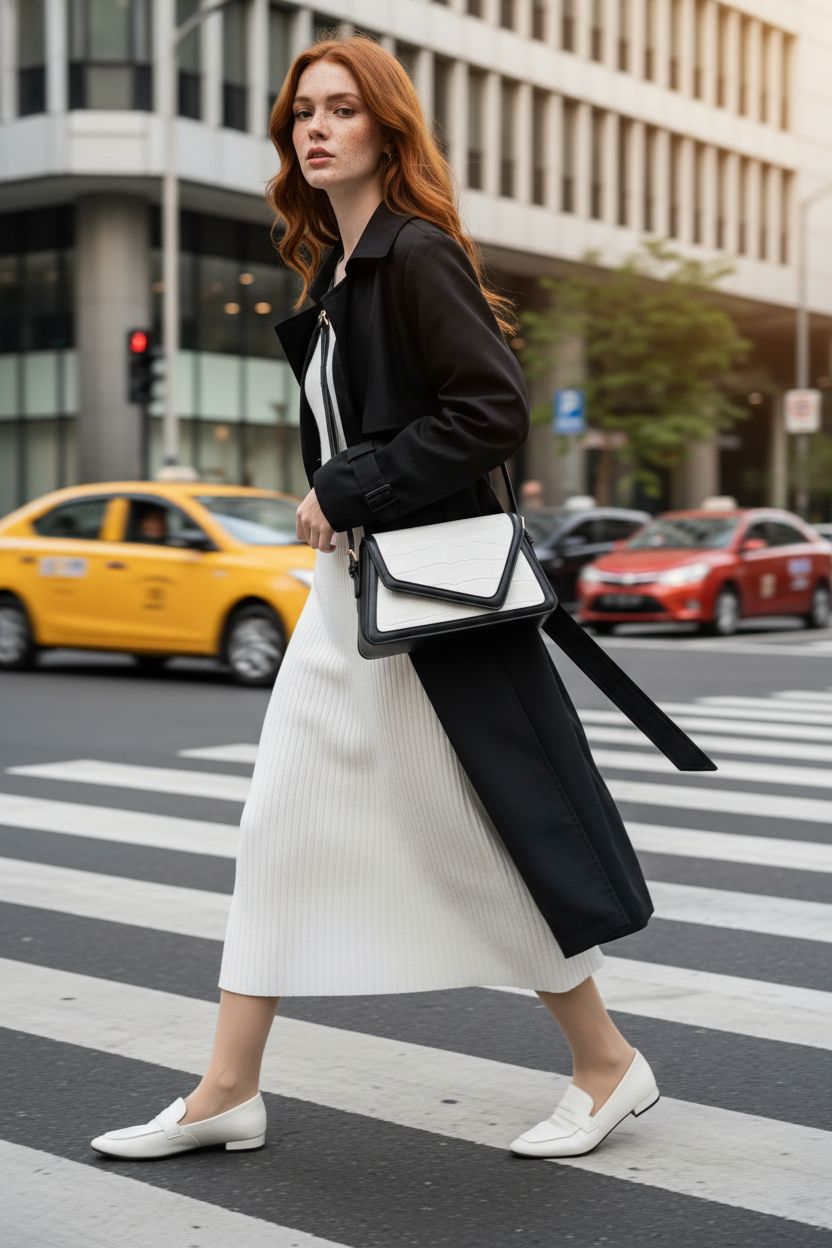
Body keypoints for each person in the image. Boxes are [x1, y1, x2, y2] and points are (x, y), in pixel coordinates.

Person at [90, 33, 674, 1163]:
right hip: (352, 601)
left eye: (342, 110)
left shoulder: (414, 255)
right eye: (303, 111)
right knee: (287, 831)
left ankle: (605, 1062)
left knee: (475, 836)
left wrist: (348, 484)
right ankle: (228, 1090)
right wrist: (344, 491)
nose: (316, 127)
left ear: (386, 130)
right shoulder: (341, 270)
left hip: (408, 609)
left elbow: (490, 409)